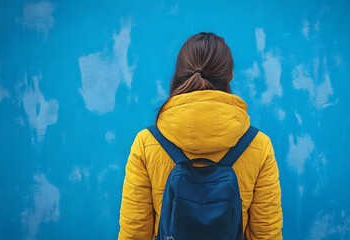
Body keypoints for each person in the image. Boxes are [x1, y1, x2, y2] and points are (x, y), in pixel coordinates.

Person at [118, 32, 283, 240]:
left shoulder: (146, 143)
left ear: (179, 73)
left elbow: (134, 233)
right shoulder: (259, 145)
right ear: (230, 75)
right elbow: (266, 234)